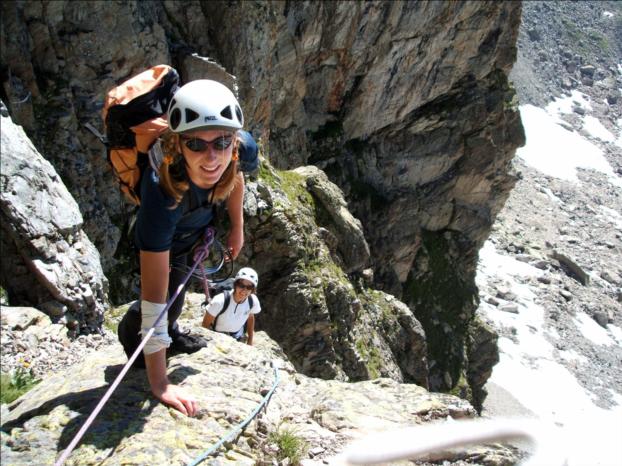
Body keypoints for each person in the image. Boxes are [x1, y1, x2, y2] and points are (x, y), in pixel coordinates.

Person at [117, 79, 257, 417]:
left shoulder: (241, 148)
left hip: (196, 231)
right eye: (196, 144)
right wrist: (160, 383)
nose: (212, 158)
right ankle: (130, 335)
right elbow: (154, 300)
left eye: (222, 142)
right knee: (166, 302)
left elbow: (235, 174)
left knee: (176, 302)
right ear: (178, 146)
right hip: (168, 239)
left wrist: (237, 227)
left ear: (234, 142)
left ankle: (173, 334)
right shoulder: (162, 195)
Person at [202, 267, 261, 344]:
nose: (244, 290)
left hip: (237, 335)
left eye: (249, 287)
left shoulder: (252, 301)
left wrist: (250, 340)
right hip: (217, 335)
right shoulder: (220, 301)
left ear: (253, 290)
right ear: (235, 285)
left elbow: (250, 317)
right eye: (241, 285)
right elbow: (204, 325)